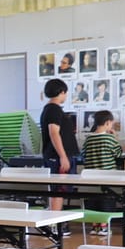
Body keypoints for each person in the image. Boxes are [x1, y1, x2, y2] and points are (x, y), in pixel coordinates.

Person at [40, 78, 79, 218]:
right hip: (57, 157)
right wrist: (62, 156)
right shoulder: (53, 109)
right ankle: (54, 222)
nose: (66, 96)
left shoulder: (52, 109)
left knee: (59, 190)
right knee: (58, 190)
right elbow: (54, 132)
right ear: (61, 92)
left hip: (57, 156)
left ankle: (55, 221)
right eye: (65, 93)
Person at [82, 110, 123, 234]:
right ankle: (104, 226)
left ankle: (95, 226)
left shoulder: (88, 139)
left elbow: (83, 154)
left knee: (93, 200)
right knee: (107, 199)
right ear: (107, 123)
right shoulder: (109, 138)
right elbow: (118, 153)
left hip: (91, 177)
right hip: (107, 176)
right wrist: (116, 138)